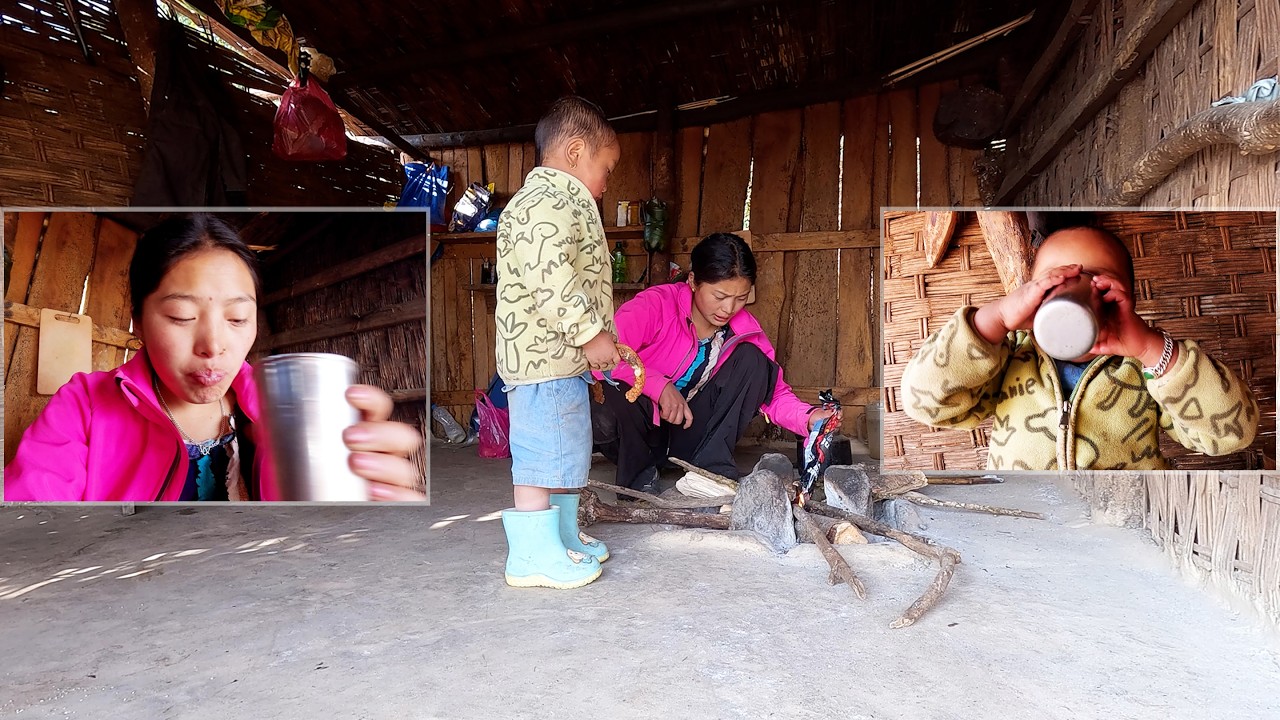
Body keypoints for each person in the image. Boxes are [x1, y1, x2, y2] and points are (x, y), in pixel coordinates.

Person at [5, 214, 424, 501]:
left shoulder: (284, 412)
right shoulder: (84, 406)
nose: (214, 345)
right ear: (138, 319)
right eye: (181, 316)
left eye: (238, 318)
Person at [900, 225, 1259, 470]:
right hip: (1024, 526)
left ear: (1126, 301)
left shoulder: (1146, 368)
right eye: (1053, 281)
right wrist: (994, 321)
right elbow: (925, 402)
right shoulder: (1008, 359)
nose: (1076, 287)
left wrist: (1153, 350)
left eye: (1100, 281)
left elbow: (1232, 434)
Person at [593, 232, 837, 493]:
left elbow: (773, 393)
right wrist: (659, 387)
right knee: (615, 387)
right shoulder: (655, 305)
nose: (729, 308)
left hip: (688, 433)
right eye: (720, 296)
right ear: (693, 281)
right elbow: (605, 359)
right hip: (636, 434)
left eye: (741, 298)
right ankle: (638, 480)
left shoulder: (746, 331)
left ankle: (710, 472)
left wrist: (809, 418)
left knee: (754, 362)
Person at [495, 96, 621, 590]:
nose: (608, 183)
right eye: (606, 168)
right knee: (540, 455)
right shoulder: (541, 204)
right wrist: (590, 332)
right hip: (541, 361)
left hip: (561, 360)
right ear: (573, 153)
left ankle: (562, 535)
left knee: (568, 451)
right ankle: (529, 556)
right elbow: (551, 279)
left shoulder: (564, 203)